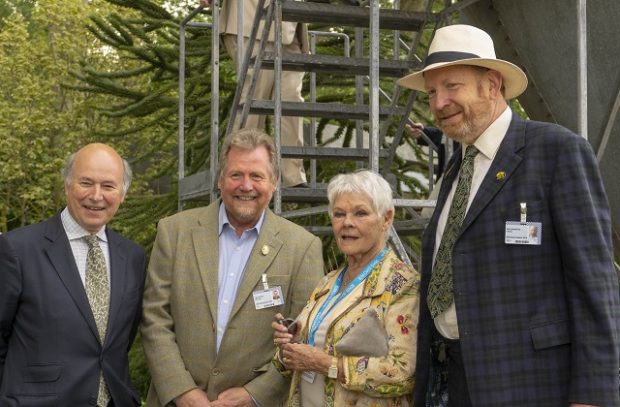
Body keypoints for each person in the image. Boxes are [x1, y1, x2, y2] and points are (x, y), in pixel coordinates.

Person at [396, 24, 620, 406]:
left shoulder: (556, 151)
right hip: (453, 382)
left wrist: (593, 396)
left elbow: (594, 286)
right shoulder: (455, 170)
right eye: (432, 92)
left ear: (492, 85)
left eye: (452, 86)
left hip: (530, 386)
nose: (437, 104)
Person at [141, 128, 324, 407]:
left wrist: (255, 394)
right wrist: (182, 392)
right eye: (236, 174)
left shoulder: (302, 247)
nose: (246, 186)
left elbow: (304, 337)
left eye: (257, 176)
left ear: (274, 183)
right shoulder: (174, 232)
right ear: (220, 179)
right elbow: (155, 318)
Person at [0, 143, 146, 406]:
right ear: (67, 186)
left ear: (122, 194)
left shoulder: (133, 257)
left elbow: (121, 340)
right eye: (86, 182)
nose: (96, 195)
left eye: (109, 186)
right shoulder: (16, 250)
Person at [272, 170, 420, 406]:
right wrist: (290, 341)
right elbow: (288, 363)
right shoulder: (328, 282)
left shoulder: (402, 284)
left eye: (360, 213)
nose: (347, 222)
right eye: (339, 214)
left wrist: (326, 365)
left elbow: (402, 373)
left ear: (387, 219)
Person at [200, 0, 308, 187]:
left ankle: (293, 175)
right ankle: (239, 170)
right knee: (254, 98)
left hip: (289, 25)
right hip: (249, 21)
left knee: (292, 101)